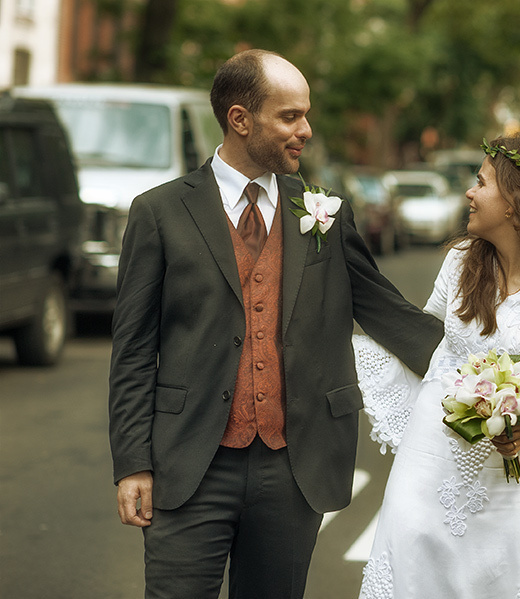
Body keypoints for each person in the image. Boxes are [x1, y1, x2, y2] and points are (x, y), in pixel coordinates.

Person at [108, 49, 443, 599]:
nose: (305, 130)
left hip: (294, 467)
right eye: (290, 116)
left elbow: (390, 315)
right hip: (188, 463)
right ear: (240, 119)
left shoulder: (325, 212)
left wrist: (490, 376)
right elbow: (134, 351)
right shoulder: (159, 212)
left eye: (305, 115)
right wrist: (132, 464)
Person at [353, 133, 520, 598]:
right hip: (429, 466)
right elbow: (428, 343)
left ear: (515, 202)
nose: (469, 193)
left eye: (481, 182)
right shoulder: (459, 264)